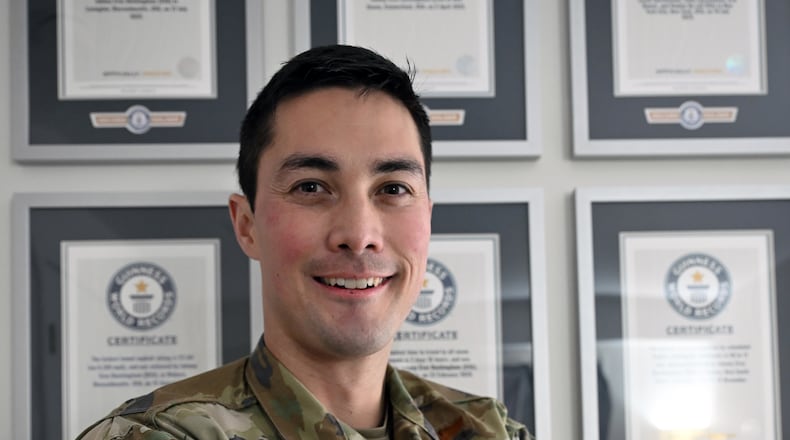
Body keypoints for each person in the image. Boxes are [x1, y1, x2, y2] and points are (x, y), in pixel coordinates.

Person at [78, 44, 530, 440]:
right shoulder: (158, 435)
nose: (358, 235)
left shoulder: (488, 428)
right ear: (247, 226)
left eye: (393, 189)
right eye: (311, 187)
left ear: (427, 218)